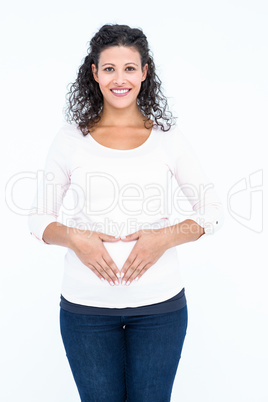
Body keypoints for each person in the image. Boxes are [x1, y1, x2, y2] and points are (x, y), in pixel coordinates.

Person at [28, 23, 224, 402]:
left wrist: (162, 239)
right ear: (95, 73)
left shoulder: (167, 137)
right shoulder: (71, 138)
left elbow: (212, 210)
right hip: (86, 312)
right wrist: (75, 239)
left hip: (160, 310)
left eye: (130, 68)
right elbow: (39, 218)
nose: (120, 79)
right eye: (110, 68)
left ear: (145, 72)